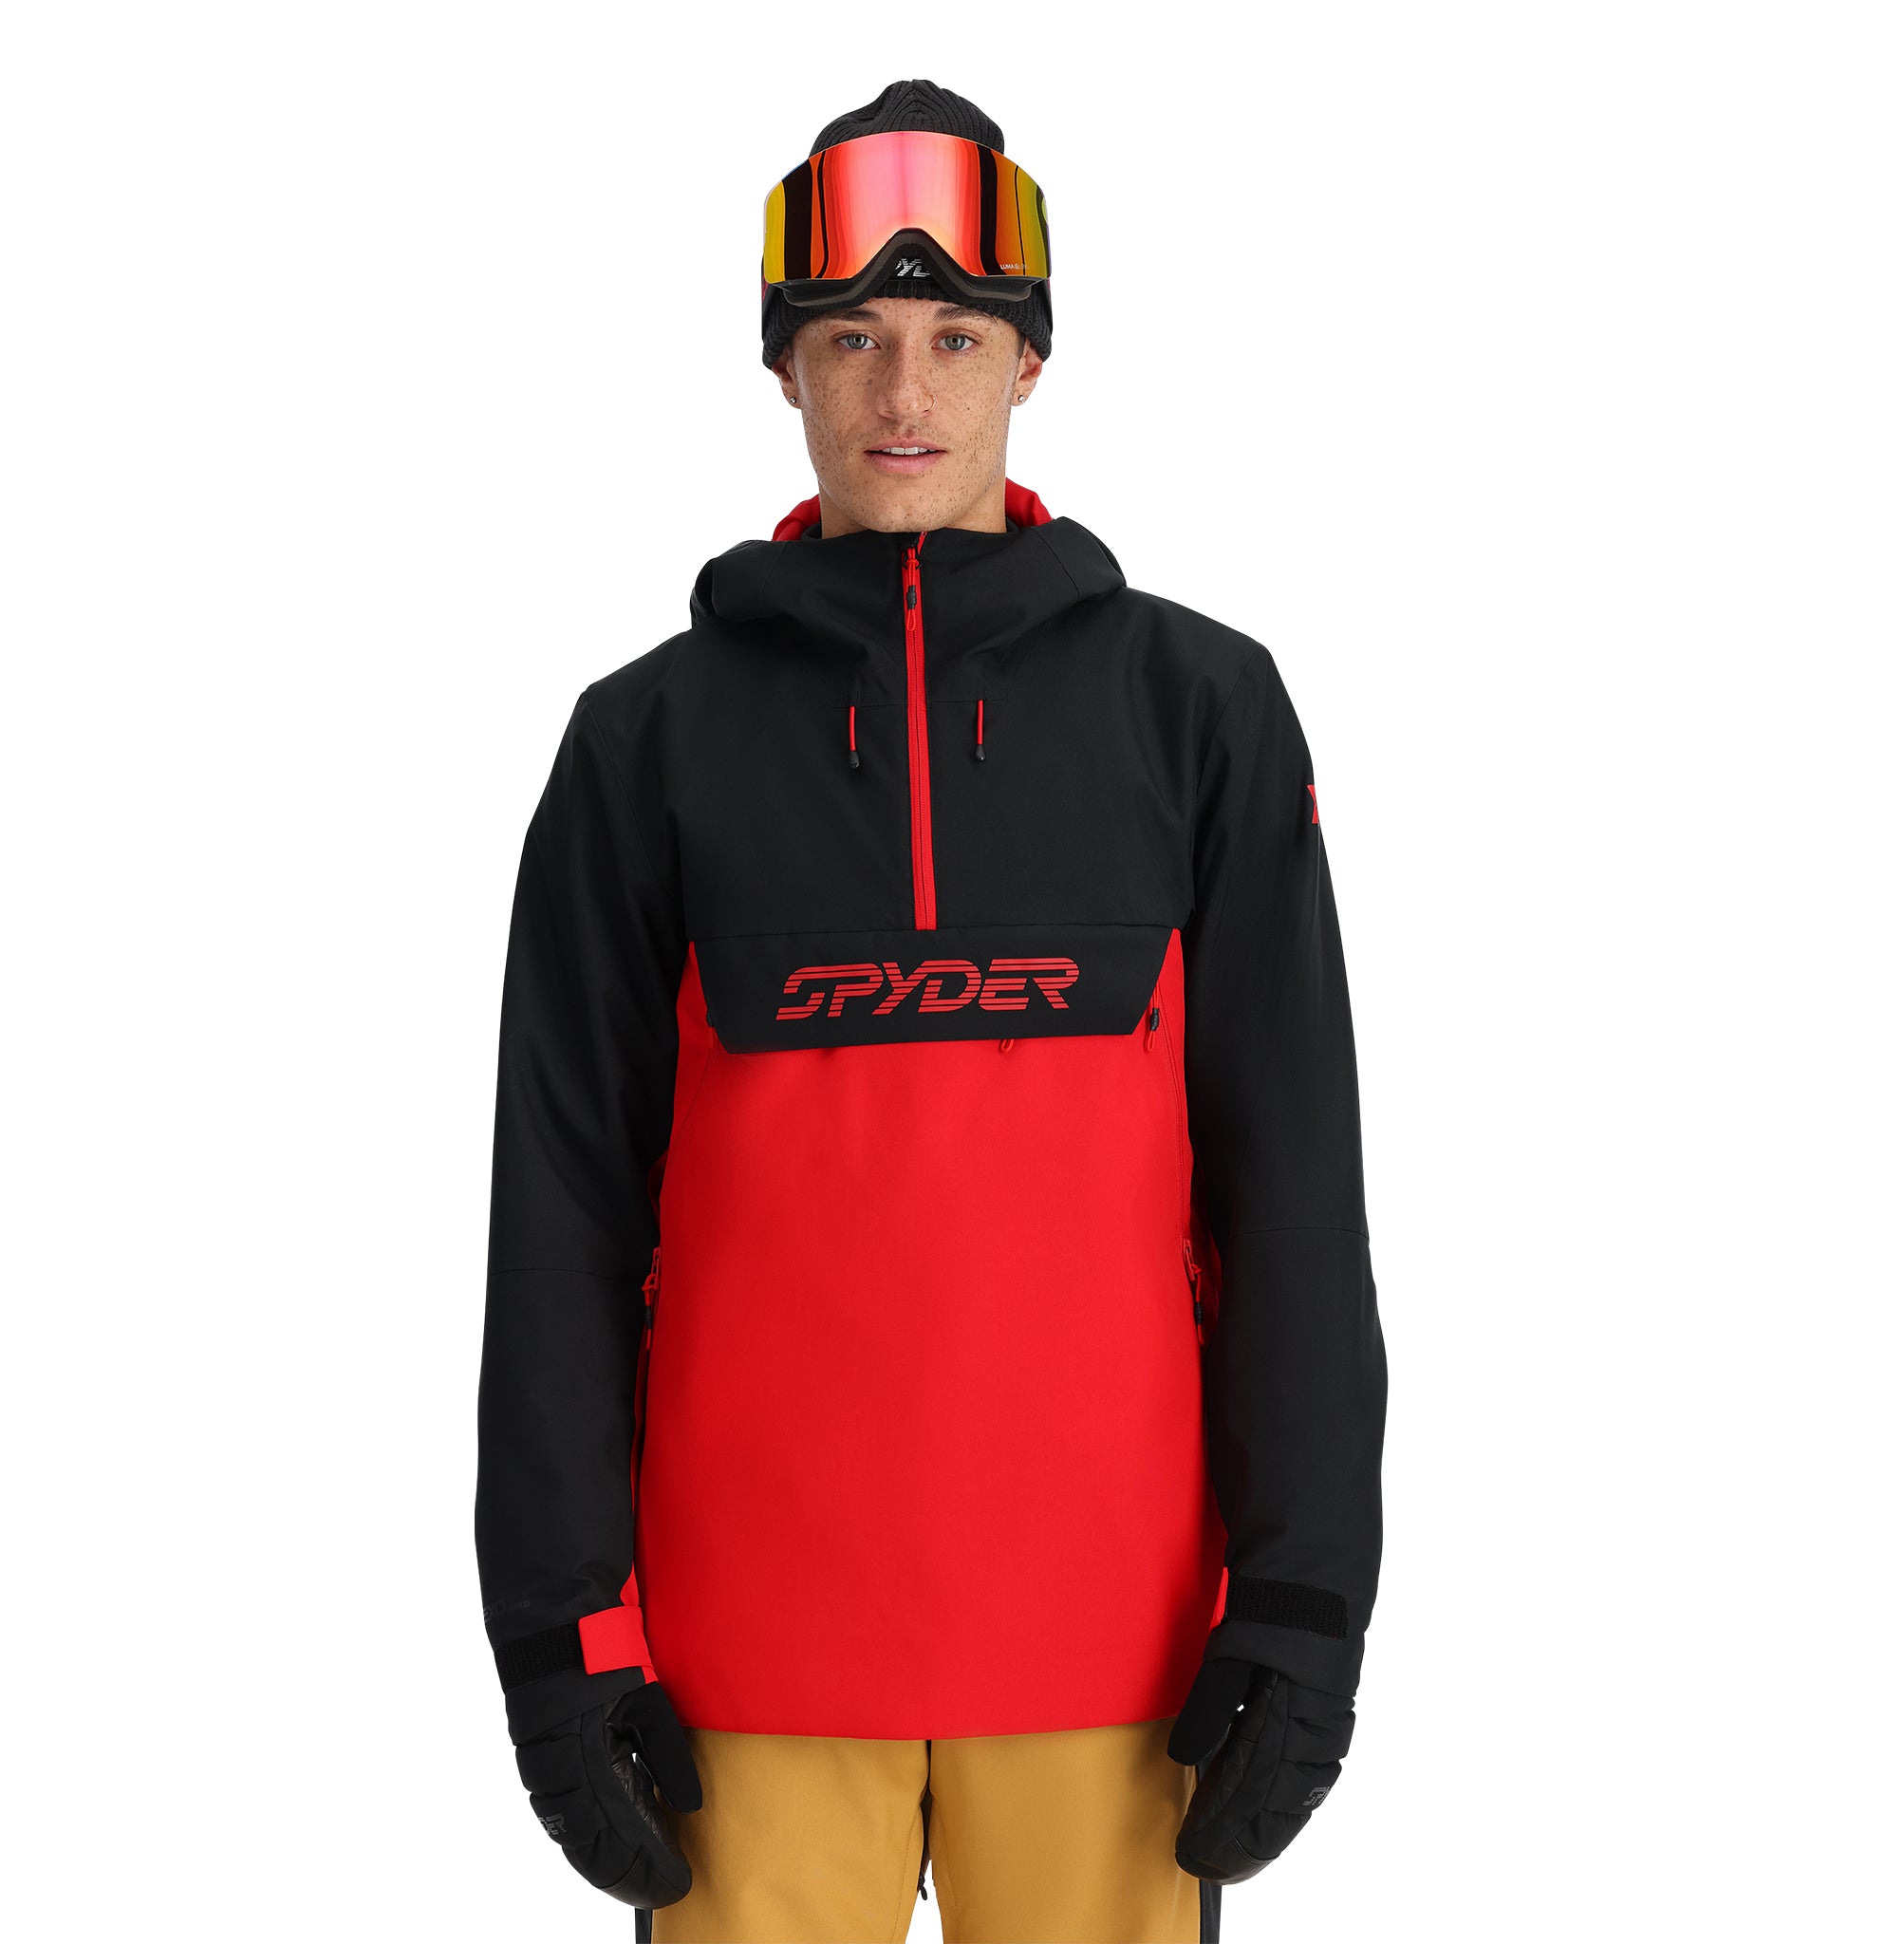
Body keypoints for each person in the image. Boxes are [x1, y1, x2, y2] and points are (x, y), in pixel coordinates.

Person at [475, 78, 1387, 1944]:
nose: (903, 392)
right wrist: (560, 1633)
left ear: (1030, 361)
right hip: (740, 1665)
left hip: (1116, 1662)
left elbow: (1293, 1194)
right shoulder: (642, 742)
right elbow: (558, 1218)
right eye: (851, 340)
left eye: (956, 337)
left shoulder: (1196, 711)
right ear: (785, 370)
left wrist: (1304, 1603)